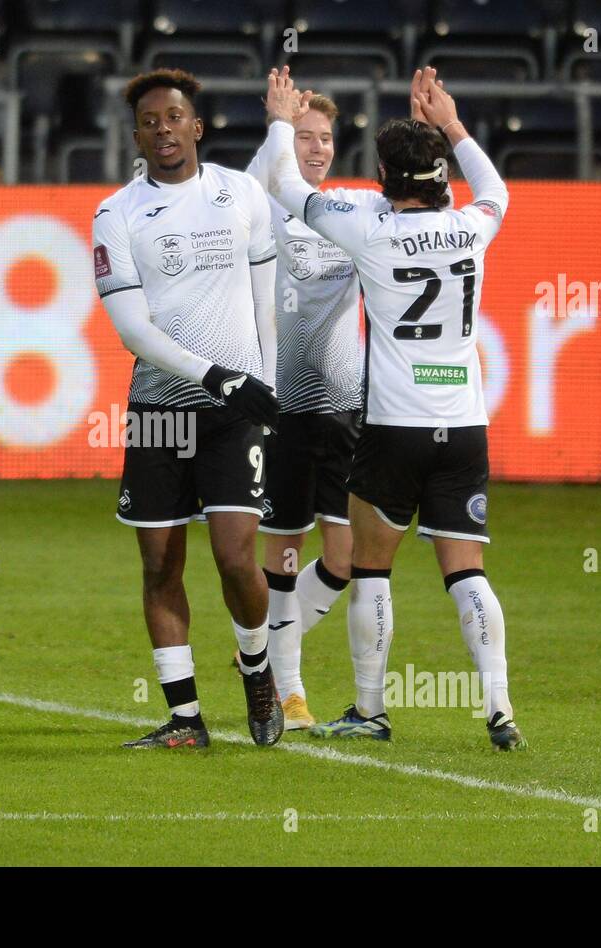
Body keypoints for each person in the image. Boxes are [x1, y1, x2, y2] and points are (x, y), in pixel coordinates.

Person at [260, 67, 525, 750]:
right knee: (467, 572)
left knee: (371, 568)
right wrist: (454, 124)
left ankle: (371, 709)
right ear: (440, 173)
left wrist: (281, 120)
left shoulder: (368, 226)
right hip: (465, 426)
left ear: (382, 172)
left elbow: (289, 189)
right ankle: (500, 709)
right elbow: (496, 189)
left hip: (392, 429)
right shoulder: (471, 226)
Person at [92, 69, 284, 749]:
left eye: (174, 117)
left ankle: (257, 666)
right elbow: (133, 330)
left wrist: (262, 381)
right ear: (137, 135)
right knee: (160, 565)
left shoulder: (241, 194)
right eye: (149, 121)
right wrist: (216, 375)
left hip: (237, 411)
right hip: (161, 407)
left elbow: (265, 300)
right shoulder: (116, 214)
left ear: (195, 126)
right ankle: (184, 718)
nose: (163, 130)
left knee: (236, 558)